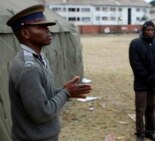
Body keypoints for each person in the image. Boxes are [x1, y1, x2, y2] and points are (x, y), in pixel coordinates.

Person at [7, 4, 92, 141]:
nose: (48, 31)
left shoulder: (38, 58)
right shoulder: (29, 68)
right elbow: (42, 113)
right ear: (25, 33)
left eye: (47, 26)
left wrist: (63, 91)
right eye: (41, 27)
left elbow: (42, 96)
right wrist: (66, 93)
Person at [129, 21, 155, 141]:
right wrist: (146, 76)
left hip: (154, 82)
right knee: (140, 109)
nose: (150, 32)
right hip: (141, 82)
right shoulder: (135, 43)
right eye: (148, 30)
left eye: (152, 30)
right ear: (144, 30)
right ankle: (140, 133)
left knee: (151, 108)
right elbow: (135, 63)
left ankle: (151, 131)